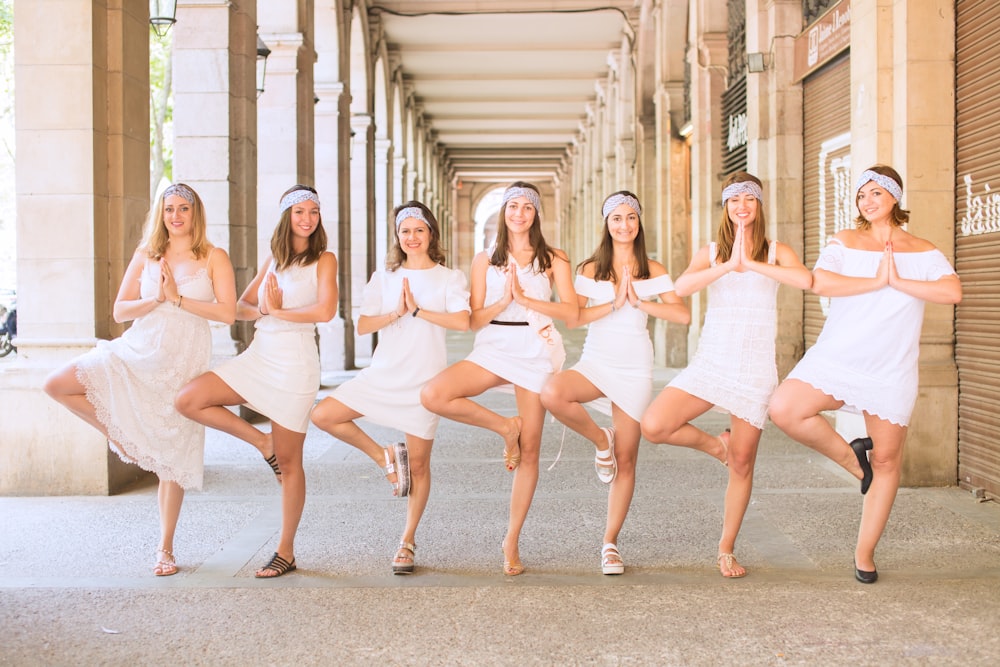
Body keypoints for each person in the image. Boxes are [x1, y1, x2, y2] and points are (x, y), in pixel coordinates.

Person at [768, 165, 962, 584]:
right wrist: (877, 280)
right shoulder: (845, 241)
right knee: (784, 408)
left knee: (889, 460)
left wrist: (899, 280)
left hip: (891, 368)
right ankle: (853, 461)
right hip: (840, 356)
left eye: (876, 193)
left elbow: (952, 292)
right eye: (861, 195)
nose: (867, 201)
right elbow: (820, 282)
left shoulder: (922, 251)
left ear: (895, 198)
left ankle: (864, 554)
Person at [44, 183, 237, 576]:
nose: (176, 216)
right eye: (169, 209)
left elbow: (228, 314)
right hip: (138, 349)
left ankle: (165, 550)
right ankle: (120, 432)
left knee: (173, 458)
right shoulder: (146, 255)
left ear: (195, 213)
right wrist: (158, 299)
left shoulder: (213, 256)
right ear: (160, 213)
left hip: (183, 361)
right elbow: (119, 311)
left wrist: (179, 298)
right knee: (57, 383)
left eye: (184, 209)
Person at [640, 172, 813, 578]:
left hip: (754, 369)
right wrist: (727, 266)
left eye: (748, 200)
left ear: (759, 206)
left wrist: (750, 263)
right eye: (734, 200)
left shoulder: (775, 251)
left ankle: (726, 549)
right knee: (655, 424)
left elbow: (805, 280)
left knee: (744, 465)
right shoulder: (711, 252)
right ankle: (717, 447)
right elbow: (681, 287)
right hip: (712, 362)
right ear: (725, 207)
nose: (741, 207)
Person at [175, 184, 338, 578]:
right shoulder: (274, 259)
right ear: (286, 217)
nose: (307, 219)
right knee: (190, 399)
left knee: (290, 462)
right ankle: (260, 441)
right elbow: (241, 309)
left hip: (296, 363)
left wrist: (279, 311)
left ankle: (286, 550)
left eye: (313, 212)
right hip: (260, 356)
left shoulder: (325, 259)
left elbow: (327, 310)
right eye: (299, 212)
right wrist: (264, 307)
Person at [420, 181, 578, 576]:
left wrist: (527, 301)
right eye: (513, 206)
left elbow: (572, 312)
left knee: (531, 450)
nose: (519, 213)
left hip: (534, 347)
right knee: (434, 394)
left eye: (527, 207)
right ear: (504, 212)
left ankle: (511, 539)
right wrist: (504, 301)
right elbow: (473, 320)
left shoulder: (553, 257)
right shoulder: (484, 260)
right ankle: (504, 426)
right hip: (494, 345)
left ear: (536, 213)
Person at [310, 201, 470, 575]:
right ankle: (383, 457)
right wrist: (396, 313)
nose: (412, 237)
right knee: (324, 414)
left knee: (418, 465)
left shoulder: (450, 278)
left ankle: (407, 541)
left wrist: (417, 311)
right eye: (405, 232)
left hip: (425, 380)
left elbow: (463, 322)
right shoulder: (384, 277)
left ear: (431, 233)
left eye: (419, 230)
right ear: (397, 238)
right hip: (384, 373)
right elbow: (364, 326)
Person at [540, 191, 690, 575]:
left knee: (627, 460)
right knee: (553, 393)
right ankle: (600, 439)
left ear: (639, 224)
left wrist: (640, 302)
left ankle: (610, 544)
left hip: (636, 366)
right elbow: (573, 319)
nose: (624, 225)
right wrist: (614, 304)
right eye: (616, 219)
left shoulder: (652, 269)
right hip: (597, 361)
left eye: (631, 218)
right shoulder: (591, 269)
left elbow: (682, 315)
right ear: (606, 224)